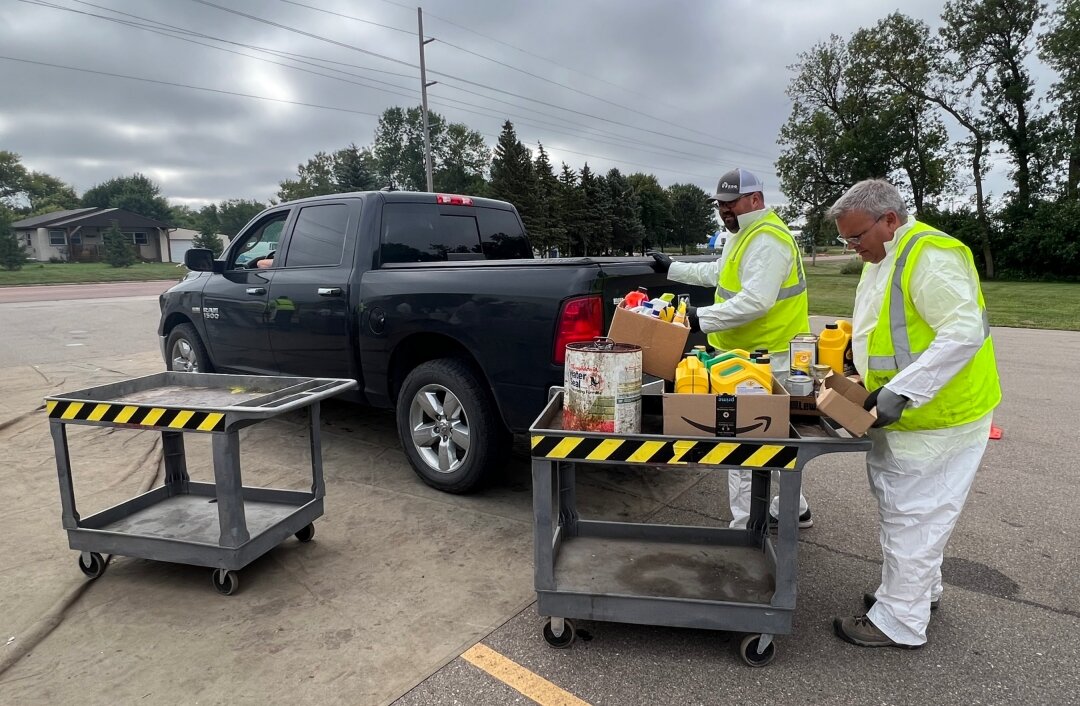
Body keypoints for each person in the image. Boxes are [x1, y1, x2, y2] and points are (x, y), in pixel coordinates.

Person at [827, 179, 1001, 649]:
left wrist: (901, 392)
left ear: (889, 220)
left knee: (912, 516)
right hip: (912, 416)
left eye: (856, 236)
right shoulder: (884, 256)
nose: (852, 247)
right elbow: (887, 329)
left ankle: (899, 620)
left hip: (937, 416)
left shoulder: (929, 254)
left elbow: (963, 332)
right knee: (912, 513)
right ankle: (916, 593)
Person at [649, 168, 812, 529]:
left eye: (731, 203)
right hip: (744, 356)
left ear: (756, 200)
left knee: (740, 438)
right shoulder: (742, 234)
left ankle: (745, 527)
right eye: (720, 204)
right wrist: (673, 268)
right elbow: (719, 274)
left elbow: (756, 302)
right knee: (774, 436)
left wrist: (697, 318)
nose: (724, 210)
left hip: (763, 358)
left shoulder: (767, 239)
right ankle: (794, 508)